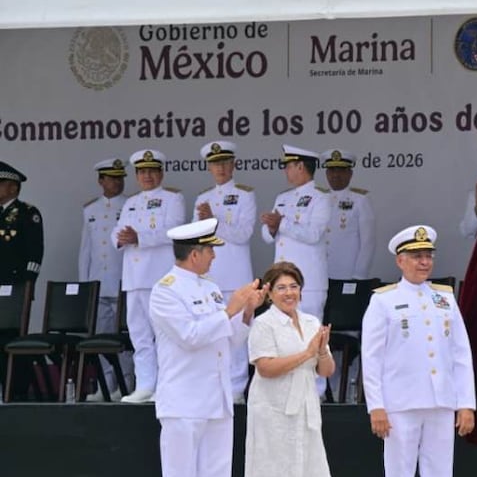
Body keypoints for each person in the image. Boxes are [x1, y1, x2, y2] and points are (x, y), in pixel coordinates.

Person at [148, 218, 264, 477]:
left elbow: (227, 339)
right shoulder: (165, 290)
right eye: (210, 249)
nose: (214, 256)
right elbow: (191, 336)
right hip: (183, 399)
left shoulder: (211, 287)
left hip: (216, 397)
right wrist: (230, 307)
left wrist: (246, 311)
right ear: (194, 253)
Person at [361, 225, 475, 477]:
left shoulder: (444, 298)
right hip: (400, 402)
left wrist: (466, 403)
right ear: (400, 260)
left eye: (428, 256)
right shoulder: (383, 300)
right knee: (399, 474)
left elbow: (460, 355)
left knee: (439, 475)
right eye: (416, 257)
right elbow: (372, 357)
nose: (424, 262)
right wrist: (376, 405)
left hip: (440, 400)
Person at [241, 261, 340, 477]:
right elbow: (266, 368)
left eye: (294, 286)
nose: (289, 293)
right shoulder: (264, 324)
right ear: (269, 293)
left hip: (305, 408)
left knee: (298, 475)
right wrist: (307, 353)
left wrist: (321, 351)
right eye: (281, 287)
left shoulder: (311, 322)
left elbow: (326, 370)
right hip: (272, 409)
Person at [114, 149, 186, 403]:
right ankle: (145, 385)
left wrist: (140, 237)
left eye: (152, 171)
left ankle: (165, 386)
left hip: (158, 276)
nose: (147, 176)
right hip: (134, 277)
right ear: (136, 176)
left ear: (161, 173)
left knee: (164, 334)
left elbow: (174, 230)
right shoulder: (131, 202)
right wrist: (120, 238)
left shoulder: (172, 198)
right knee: (139, 334)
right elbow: (116, 231)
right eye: (142, 172)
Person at [261, 145, 331, 396]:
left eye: (288, 166)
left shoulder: (320, 198)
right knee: (283, 334)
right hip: (283, 280)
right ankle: (289, 385)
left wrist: (283, 223)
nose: (286, 171)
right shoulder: (282, 198)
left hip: (309, 280)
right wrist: (270, 228)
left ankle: (316, 389)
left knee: (311, 333)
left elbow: (313, 234)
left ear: (301, 166)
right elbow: (269, 237)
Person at [193, 141, 257, 402]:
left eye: (224, 162)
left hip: (236, 273)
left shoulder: (245, 195)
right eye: (214, 163)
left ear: (233, 165)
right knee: (212, 333)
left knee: (237, 332)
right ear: (209, 167)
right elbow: (197, 239)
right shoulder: (202, 198)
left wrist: (214, 220)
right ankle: (214, 385)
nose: (219, 168)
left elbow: (243, 234)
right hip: (210, 276)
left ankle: (236, 388)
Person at [79, 159, 128, 400]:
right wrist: (85, 285)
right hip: (99, 282)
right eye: (111, 178)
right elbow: (86, 250)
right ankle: (104, 385)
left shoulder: (130, 205)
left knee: (124, 339)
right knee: (100, 338)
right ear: (101, 181)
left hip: (122, 282)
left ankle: (125, 384)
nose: (117, 182)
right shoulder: (91, 209)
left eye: (120, 178)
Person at [320, 149, 376, 279]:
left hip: (347, 273)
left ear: (350, 174)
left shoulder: (360, 200)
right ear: (326, 173)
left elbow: (368, 242)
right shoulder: (319, 199)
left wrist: (359, 274)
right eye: (332, 170)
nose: (336, 175)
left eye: (341, 170)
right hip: (320, 273)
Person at [0, 160, 44, 284]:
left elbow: (35, 251)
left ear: (13, 188)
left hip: (14, 281)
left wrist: (28, 282)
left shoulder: (27, 212)